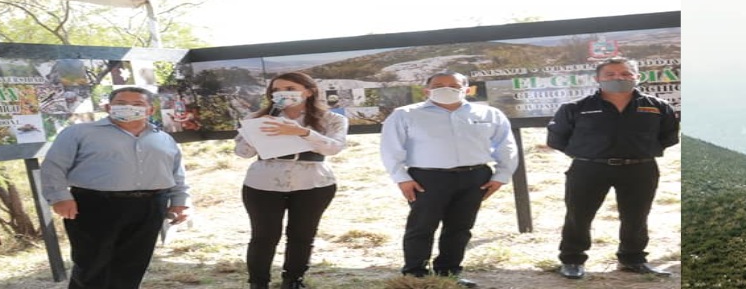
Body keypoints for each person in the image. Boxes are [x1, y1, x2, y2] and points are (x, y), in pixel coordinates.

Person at [38, 88, 191, 289]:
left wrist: (180, 202)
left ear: (150, 110)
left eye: (137, 104)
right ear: (109, 107)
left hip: (151, 205)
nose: (129, 107)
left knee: (133, 263)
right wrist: (59, 197)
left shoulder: (164, 138)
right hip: (95, 205)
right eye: (121, 103)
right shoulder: (79, 133)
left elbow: (176, 174)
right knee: (92, 264)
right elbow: (54, 166)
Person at [545, 58, 679, 279]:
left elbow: (668, 137)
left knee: (636, 216)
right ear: (597, 78)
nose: (618, 78)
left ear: (637, 77)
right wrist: (588, 154)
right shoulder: (576, 108)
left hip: (640, 169)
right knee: (579, 215)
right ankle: (572, 260)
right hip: (588, 169)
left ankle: (632, 258)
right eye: (610, 74)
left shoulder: (657, 107)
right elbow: (557, 139)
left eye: (626, 74)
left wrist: (639, 151)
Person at [379, 71, 516, 284]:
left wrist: (502, 175)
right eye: (438, 85)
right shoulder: (404, 114)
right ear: (427, 91)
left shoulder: (490, 114)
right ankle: (415, 274)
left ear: (466, 90)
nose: (446, 89)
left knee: (460, 227)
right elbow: (390, 149)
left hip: (475, 177)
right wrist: (402, 178)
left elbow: (506, 145)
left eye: (454, 86)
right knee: (422, 226)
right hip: (427, 179)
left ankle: (449, 273)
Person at [234, 70, 347, 289]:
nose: (282, 94)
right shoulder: (256, 118)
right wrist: (255, 132)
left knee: (302, 235)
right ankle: (258, 283)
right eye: (276, 90)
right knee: (264, 236)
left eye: (290, 89)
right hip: (263, 183)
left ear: (309, 91)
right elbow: (242, 153)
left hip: (314, 183)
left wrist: (302, 132)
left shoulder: (332, 119)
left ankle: (293, 280)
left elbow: (335, 148)